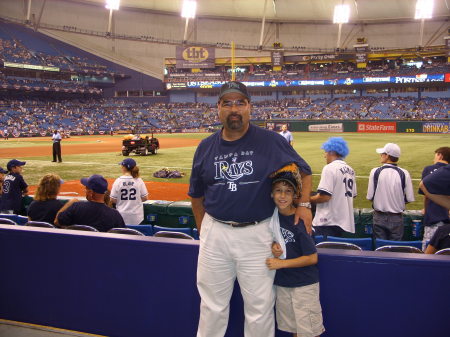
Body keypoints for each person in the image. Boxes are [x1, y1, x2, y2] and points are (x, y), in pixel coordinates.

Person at [189, 81, 312, 337]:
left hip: (257, 234)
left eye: (240, 103)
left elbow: (305, 170)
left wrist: (303, 204)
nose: (234, 109)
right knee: (211, 305)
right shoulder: (205, 146)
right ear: (218, 109)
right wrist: (205, 230)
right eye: (227, 103)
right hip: (216, 232)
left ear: (249, 108)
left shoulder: (270, 140)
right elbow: (197, 195)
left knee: (259, 307)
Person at [266, 171, 325, 337]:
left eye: (288, 191)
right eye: (278, 190)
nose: (282, 195)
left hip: (303, 284)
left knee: (307, 331)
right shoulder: (272, 216)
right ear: (272, 194)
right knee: (293, 330)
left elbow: (312, 257)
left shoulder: (299, 220)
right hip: (284, 283)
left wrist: (282, 263)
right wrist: (273, 246)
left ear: (295, 195)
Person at [366, 143, 414, 240]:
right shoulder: (404, 173)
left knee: (380, 249)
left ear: (387, 155)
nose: (381, 155)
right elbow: (409, 198)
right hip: (397, 217)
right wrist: (396, 202)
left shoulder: (375, 171)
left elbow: (370, 197)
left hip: (379, 216)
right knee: (395, 250)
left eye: (382, 153)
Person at [310, 137, 356, 238]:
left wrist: (306, 199)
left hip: (327, 222)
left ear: (331, 152)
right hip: (343, 222)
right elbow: (353, 195)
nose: (324, 155)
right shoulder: (351, 170)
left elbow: (324, 197)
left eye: (325, 152)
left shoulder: (329, 168)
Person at [56, 174, 125, 231]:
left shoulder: (76, 207)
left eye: (86, 188)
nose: (85, 190)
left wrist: (70, 202)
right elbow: (122, 234)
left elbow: (57, 221)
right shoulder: (114, 215)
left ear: (91, 193)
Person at [418, 147, 450, 250]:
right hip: (445, 217)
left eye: (435, 155)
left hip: (433, 217)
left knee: (429, 250)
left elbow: (424, 188)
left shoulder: (429, 169)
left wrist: (426, 210)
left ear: (440, 155)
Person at [110, 158, 148, 225]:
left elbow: (112, 199)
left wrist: (122, 201)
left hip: (121, 215)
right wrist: (135, 200)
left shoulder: (118, 181)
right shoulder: (139, 180)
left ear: (124, 168)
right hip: (136, 216)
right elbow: (145, 198)